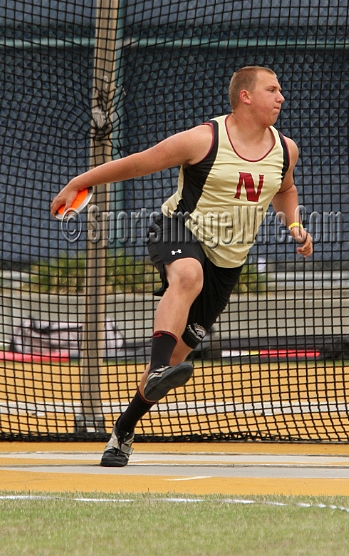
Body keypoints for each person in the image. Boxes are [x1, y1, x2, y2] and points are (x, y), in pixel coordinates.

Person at [50, 65, 313, 467]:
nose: (281, 97)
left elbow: (286, 189)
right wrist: (78, 181)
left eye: (280, 90)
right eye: (272, 89)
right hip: (177, 230)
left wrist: (294, 224)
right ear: (245, 96)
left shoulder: (285, 149)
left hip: (228, 262)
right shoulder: (204, 139)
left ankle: (123, 429)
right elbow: (140, 162)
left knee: (179, 359)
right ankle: (157, 368)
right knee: (189, 275)